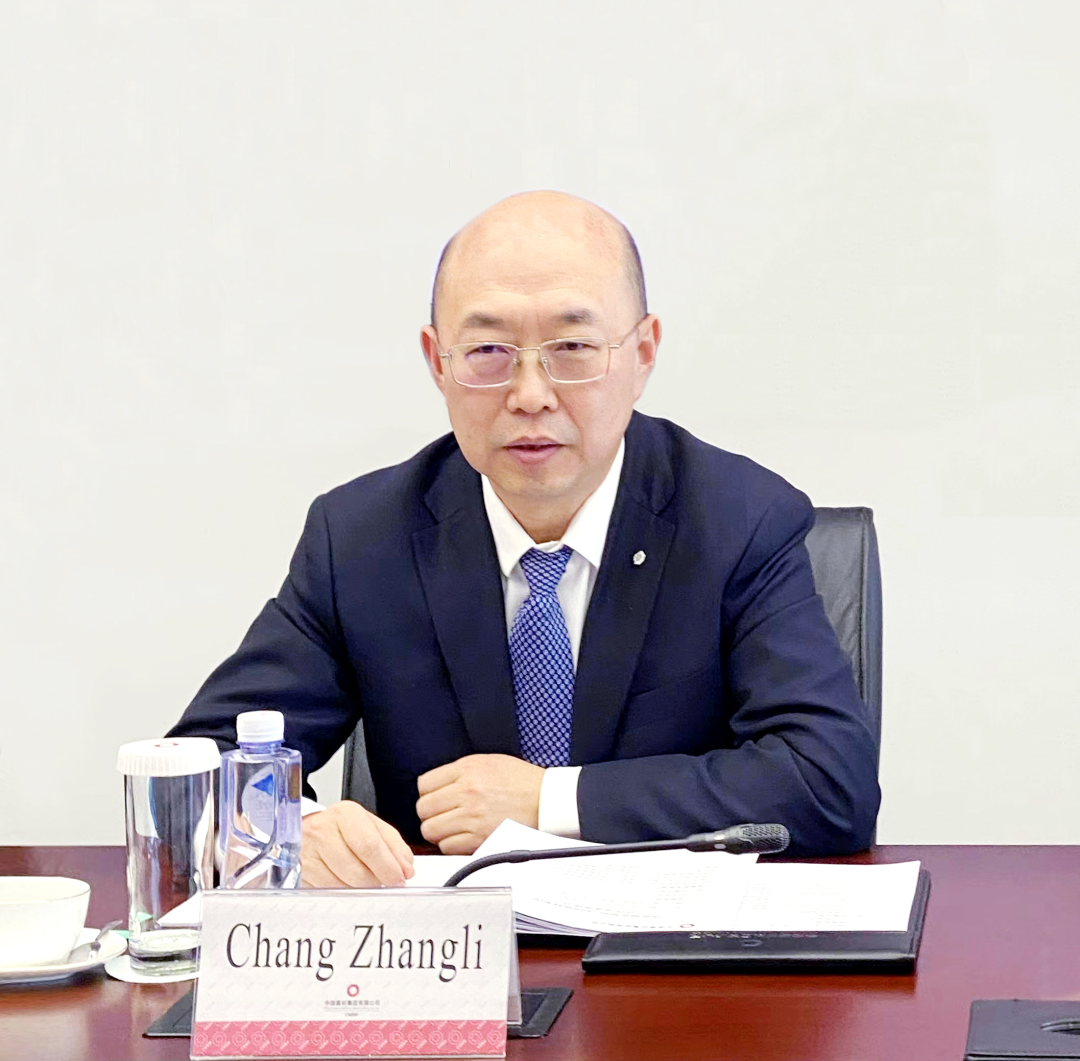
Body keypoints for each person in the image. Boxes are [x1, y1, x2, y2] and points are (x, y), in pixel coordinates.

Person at [168, 191, 880, 888]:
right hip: (443, 953)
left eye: (572, 348)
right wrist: (289, 827)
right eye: (488, 350)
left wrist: (549, 801)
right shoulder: (360, 539)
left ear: (643, 353)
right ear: (437, 361)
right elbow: (197, 769)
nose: (531, 394)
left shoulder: (738, 519)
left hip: (668, 950)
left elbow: (828, 784)